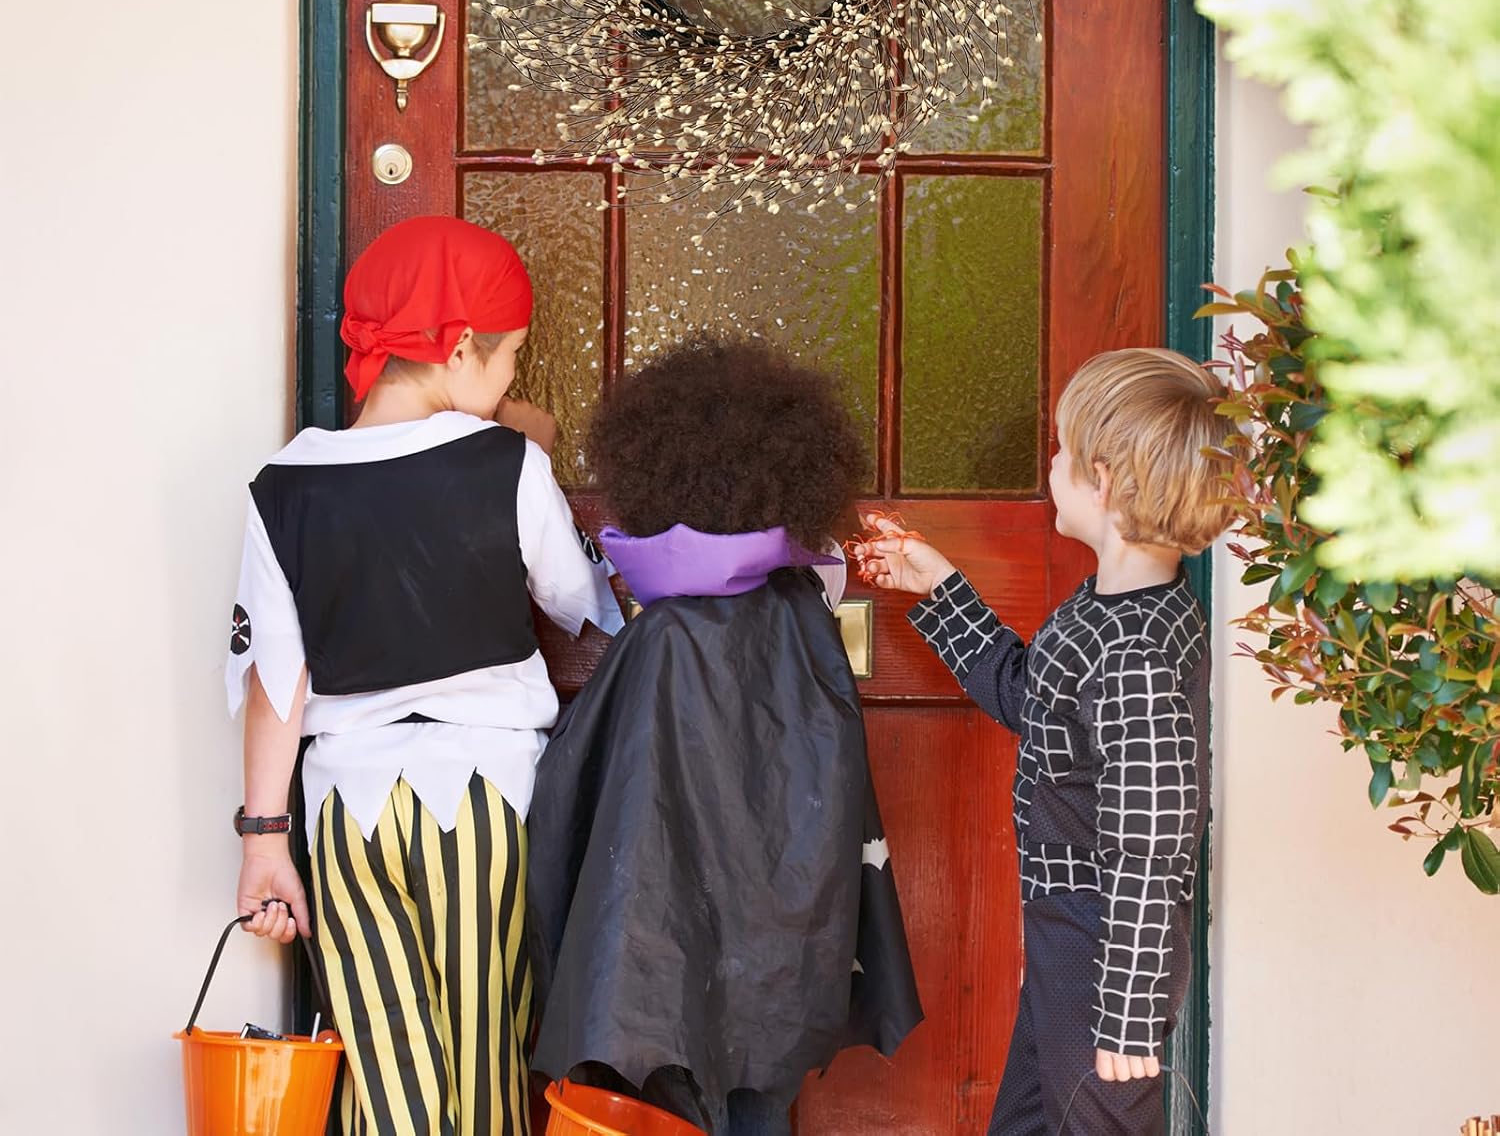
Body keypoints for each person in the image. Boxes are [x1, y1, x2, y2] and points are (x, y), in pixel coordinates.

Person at [226, 215, 623, 1136]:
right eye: (511, 355)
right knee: (485, 1065)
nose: (513, 376)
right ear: (459, 348)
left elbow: (276, 685)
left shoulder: (284, 484)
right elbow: (585, 605)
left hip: (346, 809)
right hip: (485, 798)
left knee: (385, 1074)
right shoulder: (508, 463)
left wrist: (263, 841)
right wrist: (537, 457)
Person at [526, 337, 923, 1136]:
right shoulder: (805, 620)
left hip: (661, 958)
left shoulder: (665, 638)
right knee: (759, 1092)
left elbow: (579, 791)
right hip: (777, 947)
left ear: (652, 479)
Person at [853, 347, 1232, 1136]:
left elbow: (1152, 841)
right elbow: (1038, 701)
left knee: (1095, 1123)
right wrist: (941, 587)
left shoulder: (1136, 652)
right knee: (1028, 1120)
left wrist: (1128, 1012)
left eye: (1061, 450)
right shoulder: (1110, 608)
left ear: (1102, 480)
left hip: (1103, 948)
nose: (1050, 464)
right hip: (1066, 929)